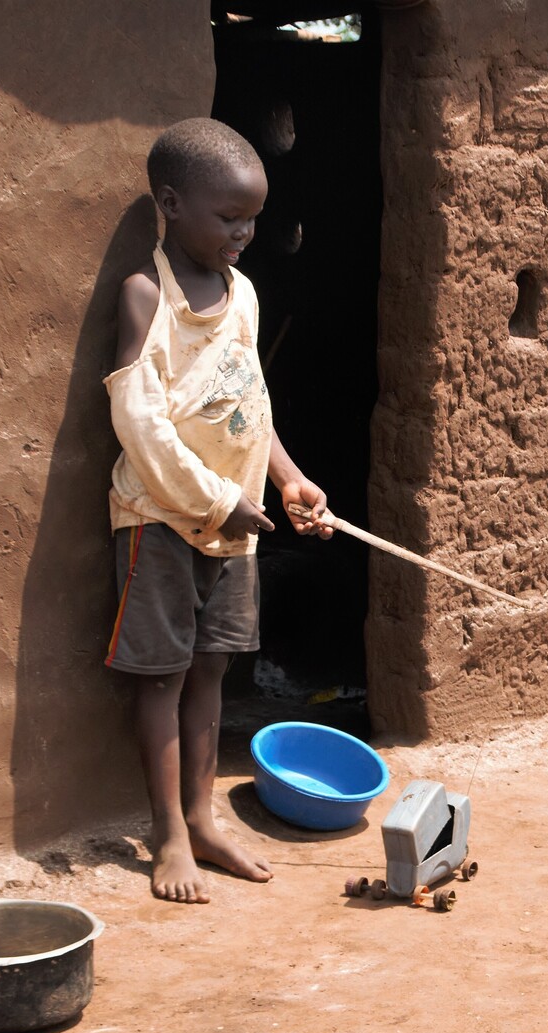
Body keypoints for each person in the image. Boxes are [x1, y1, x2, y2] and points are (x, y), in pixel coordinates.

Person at [103, 117, 331, 904]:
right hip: (162, 521)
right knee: (162, 678)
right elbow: (141, 427)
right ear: (170, 203)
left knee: (211, 670)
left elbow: (249, 406)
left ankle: (202, 818)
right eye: (228, 217)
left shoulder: (247, 297)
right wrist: (216, 501)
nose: (244, 233)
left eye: (253, 219)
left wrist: (291, 482)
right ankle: (166, 830)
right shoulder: (146, 296)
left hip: (235, 527)